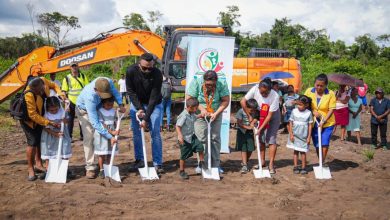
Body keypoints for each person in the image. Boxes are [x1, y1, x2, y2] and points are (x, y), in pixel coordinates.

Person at [76, 77, 125, 179]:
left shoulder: (108, 82)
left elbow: (115, 92)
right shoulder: (90, 97)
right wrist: (110, 136)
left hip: (99, 107)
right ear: (96, 90)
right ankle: (90, 167)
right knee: (89, 138)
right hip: (84, 111)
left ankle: (103, 165)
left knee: (100, 138)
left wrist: (120, 104)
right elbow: (95, 123)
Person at [126, 53, 164, 173]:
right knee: (137, 133)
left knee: (155, 133)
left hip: (155, 104)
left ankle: (157, 163)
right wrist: (139, 108)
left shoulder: (157, 74)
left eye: (150, 68)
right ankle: (140, 160)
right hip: (138, 103)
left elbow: (154, 97)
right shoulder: (131, 71)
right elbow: (130, 91)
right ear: (139, 64)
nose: (147, 70)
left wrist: (146, 119)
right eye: (144, 68)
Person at [186, 70, 230, 173]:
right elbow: (190, 99)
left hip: (216, 113)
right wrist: (201, 109)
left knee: (215, 138)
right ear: (204, 81)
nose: (210, 86)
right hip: (200, 113)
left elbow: (225, 100)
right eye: (208, 84)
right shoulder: (196, 83)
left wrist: (216, 113)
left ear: (216, 81)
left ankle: (216, 165)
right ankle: (202, 164)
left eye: (212, 85)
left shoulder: (221, 84)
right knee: (201, 138)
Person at [21, 77, 64, 181]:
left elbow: (53, 85)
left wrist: (60, 93)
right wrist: (48, 122)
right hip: (29, 121)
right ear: (34, 89)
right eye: (39, 91)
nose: (42, 91)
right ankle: (30, 168)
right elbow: (33, 115)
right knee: (32, 142)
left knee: (40, 140)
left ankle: (39, 163)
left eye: (43, 88)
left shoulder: (43, 81)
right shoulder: (29, 95)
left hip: (42, 117)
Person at [241, 77, 281, 174]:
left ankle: (271, 164)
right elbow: (242, 101)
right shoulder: (254, 89)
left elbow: (269, 117)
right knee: (261, 139)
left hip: (272, 116)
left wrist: (260, 129)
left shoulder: (274, 96)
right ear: (258, 88)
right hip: (259, 113)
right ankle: (262, 161)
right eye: (261, 92)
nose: (263, 94)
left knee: (271, 139)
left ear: (270, 90)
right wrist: (250, 116)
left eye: (265, 93)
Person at [304, 74, 336, 164]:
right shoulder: (309, 91)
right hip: (313, 122)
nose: (319, 87)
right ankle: (321, 161)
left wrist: (323, 121)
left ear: (326, 85)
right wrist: (312, 111)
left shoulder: (330, 94)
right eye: (317, 85)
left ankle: (322, 162)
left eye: (321, 86)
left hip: (327, 122)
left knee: (324, 142)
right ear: (314, 84)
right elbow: (304, 103)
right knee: (317, 144)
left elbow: (331, 109)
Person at [40, 97, 72, 175]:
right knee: (50, 152)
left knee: (63, 150)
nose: (54, 111)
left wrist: (65, 120)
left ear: (59, 106)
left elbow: (67, 120)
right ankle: (49, 170)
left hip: (62, 136)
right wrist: (55, 134)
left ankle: (65, 169)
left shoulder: (62, 112)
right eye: (51, 110)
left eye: (56, 109)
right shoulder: (46, 115)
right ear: (47, 108)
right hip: (50, 137)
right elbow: (45, 128)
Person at [176, 97, 204, 179]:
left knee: (200, 147)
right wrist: (180, 135)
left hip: (192, 136)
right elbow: (178, 126)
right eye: (195, 108)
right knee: (183, 156)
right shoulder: (183, 115)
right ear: (190, 107)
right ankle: (182, 171)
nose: (196, 109)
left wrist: (201, 115)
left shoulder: (191, 113)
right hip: (184, 139)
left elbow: (195, 117)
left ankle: (201, 163)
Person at [62, 62, 89, 141]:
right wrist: (66, 101)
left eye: (75, 66)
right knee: (70, 120)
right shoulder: (66, 78)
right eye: (72, 66)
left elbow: (87, 88)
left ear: (78, 66)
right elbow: (64, 91)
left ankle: (82, 135)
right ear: (70, 68)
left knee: (83, 119)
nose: (74, 67)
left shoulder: (83, 76)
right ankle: (69, 137)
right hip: (71, 102)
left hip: (82, 102)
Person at [286, 95, 313, 175]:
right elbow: (290, 122)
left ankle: (303, 167)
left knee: (303, 152)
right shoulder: (294, 111)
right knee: (295, 151)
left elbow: (310, 125)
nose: (299, 106)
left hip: (304, 136)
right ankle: (295, 166)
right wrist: (291, 134)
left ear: (306, 105)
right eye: (298, 104)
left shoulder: (308, 113)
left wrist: (308, 137)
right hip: (295, 135)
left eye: (301, 105)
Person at [93, 97, 119, 178]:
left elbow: (115, 122)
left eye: (111, 105)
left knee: (109, 153)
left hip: (112, 133)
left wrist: (117, 130)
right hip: (102, 135)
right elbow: (102, 125)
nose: (110, 106)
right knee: (102, 154)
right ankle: (101, 169)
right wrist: (111, 132)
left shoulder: (114, 111)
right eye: (108, 105)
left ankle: (108, 167)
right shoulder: (100, 111)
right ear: (103, 103)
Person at [235, 99, 258, 174]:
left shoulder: (255, 111)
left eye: (254, 110)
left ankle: (246, 160)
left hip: (250, 132)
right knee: (244, 148)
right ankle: (244, 164)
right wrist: (247, 127)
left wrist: (254, 121)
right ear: (246, 107)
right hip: (242, 132)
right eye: (251, 110)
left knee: (251, 148)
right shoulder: (241, 111)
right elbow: (239, 123)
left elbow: (256, 117)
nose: (252, 112)